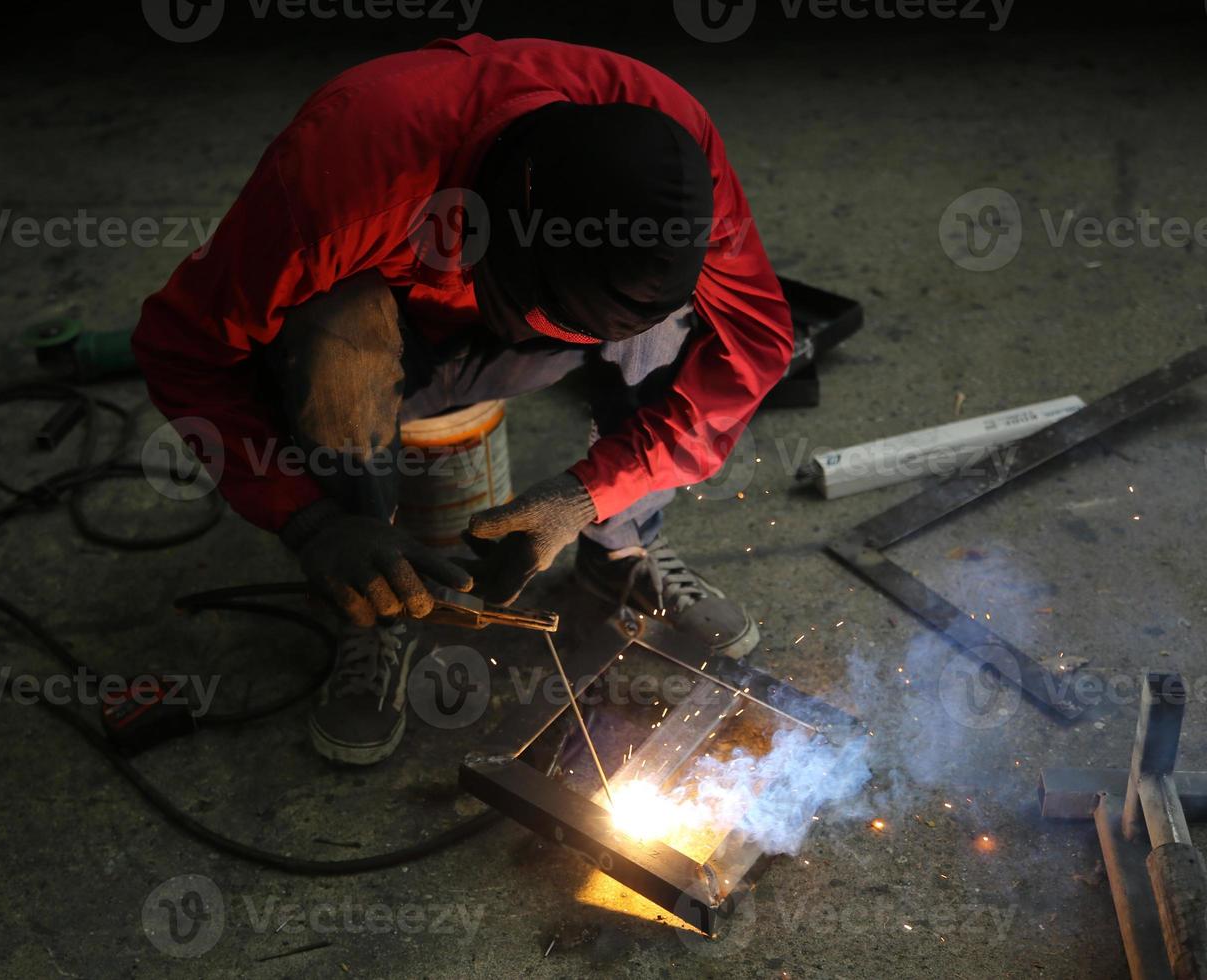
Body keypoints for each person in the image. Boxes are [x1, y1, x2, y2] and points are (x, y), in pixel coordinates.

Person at [133, 34, 793, 765]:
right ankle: (370, 592)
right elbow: (181, 346)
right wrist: (308, 519)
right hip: (390, 349)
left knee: (674, 323)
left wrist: (587, 497)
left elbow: (756, 340)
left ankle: (623, 542)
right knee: (337, 321)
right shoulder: (346, 175)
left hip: (517, 320)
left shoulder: (670, 148)